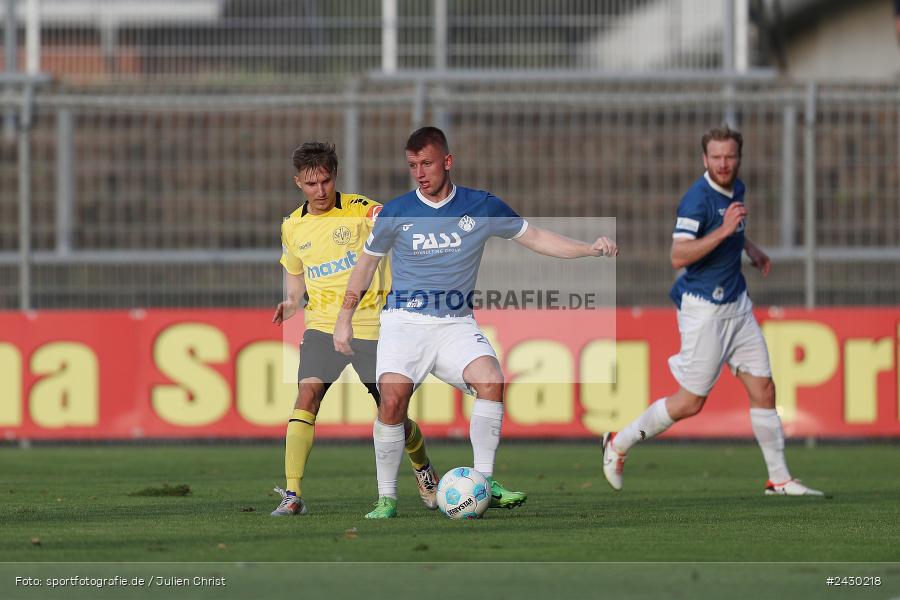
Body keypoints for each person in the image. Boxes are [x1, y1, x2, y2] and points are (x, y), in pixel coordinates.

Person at [334, 126, 618, 519]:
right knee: (393, 400)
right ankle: (386, 498)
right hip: (404, 323)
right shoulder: (397, 211)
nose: (420, 172)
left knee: (492, 380)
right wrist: (344, 317)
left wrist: (588, 249)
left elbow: (534, 236)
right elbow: (366, 266)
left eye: (427, 163)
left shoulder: (481, 206)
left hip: (455, 324)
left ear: (447, 162)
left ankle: (483, 481)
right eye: (413, 165)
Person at [601, 125, 824, 497]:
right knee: (689, 403)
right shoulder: (697, 201)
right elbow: (678, 256)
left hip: (737, 303)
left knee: (763, 387)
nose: (723, 163)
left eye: (730, 156)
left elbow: (733, 226)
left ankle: (779, 479)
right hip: (704, 310)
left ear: (739, 157)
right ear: (704, 159)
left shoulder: (737, 187)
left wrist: (748, 247)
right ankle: (618, 443)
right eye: (716, 157)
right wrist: (723, 233)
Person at [270, 141, 438, 516]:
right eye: (311, 184)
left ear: (335, 176)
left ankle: (423, 469)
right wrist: (291, 303)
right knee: (306, 397)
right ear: (298, 181)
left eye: (326, 181)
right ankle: (293, 493)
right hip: (322, 328)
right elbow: (296, 279)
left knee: (392, 413)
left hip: (372, 326)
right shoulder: (292, 226)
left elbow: (402, 233)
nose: (320, 191)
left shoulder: (363, 211)